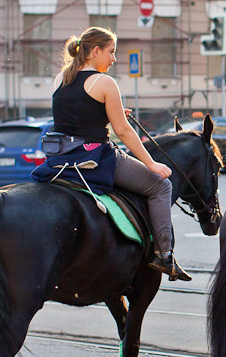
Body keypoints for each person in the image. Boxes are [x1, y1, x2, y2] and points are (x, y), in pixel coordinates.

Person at [51, 26, 191, 281]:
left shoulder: (61, 78)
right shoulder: (104, 82)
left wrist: (108, 111)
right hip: (95, 159)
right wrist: (152, 165)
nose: (114, 59)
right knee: (161, 186)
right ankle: (164, 254)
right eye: (111, 52)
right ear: (95, 51)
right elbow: (124, 132)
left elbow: (74, 116)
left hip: (60, 161)